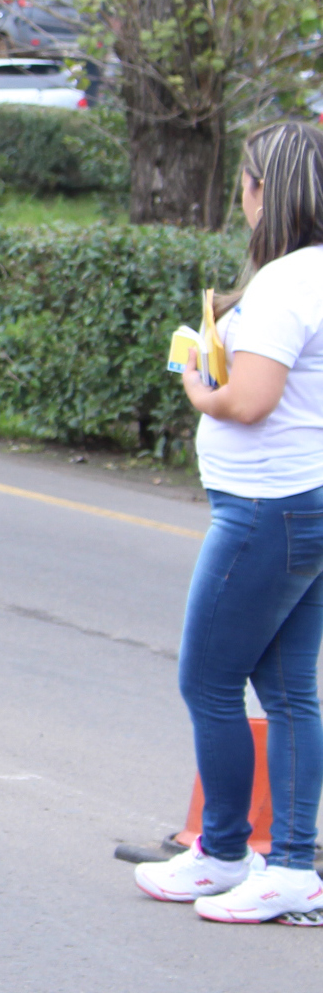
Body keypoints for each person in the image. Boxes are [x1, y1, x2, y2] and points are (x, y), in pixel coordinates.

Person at [133, 121, 323, 922]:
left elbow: (248, 401)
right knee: (287, 690)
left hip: (265, 510)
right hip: (304, 499)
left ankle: (220, 852)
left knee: (207, 679)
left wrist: (194, 381)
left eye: (243, 182)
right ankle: (290, 864)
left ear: (259, 189)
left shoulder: (284, 284)